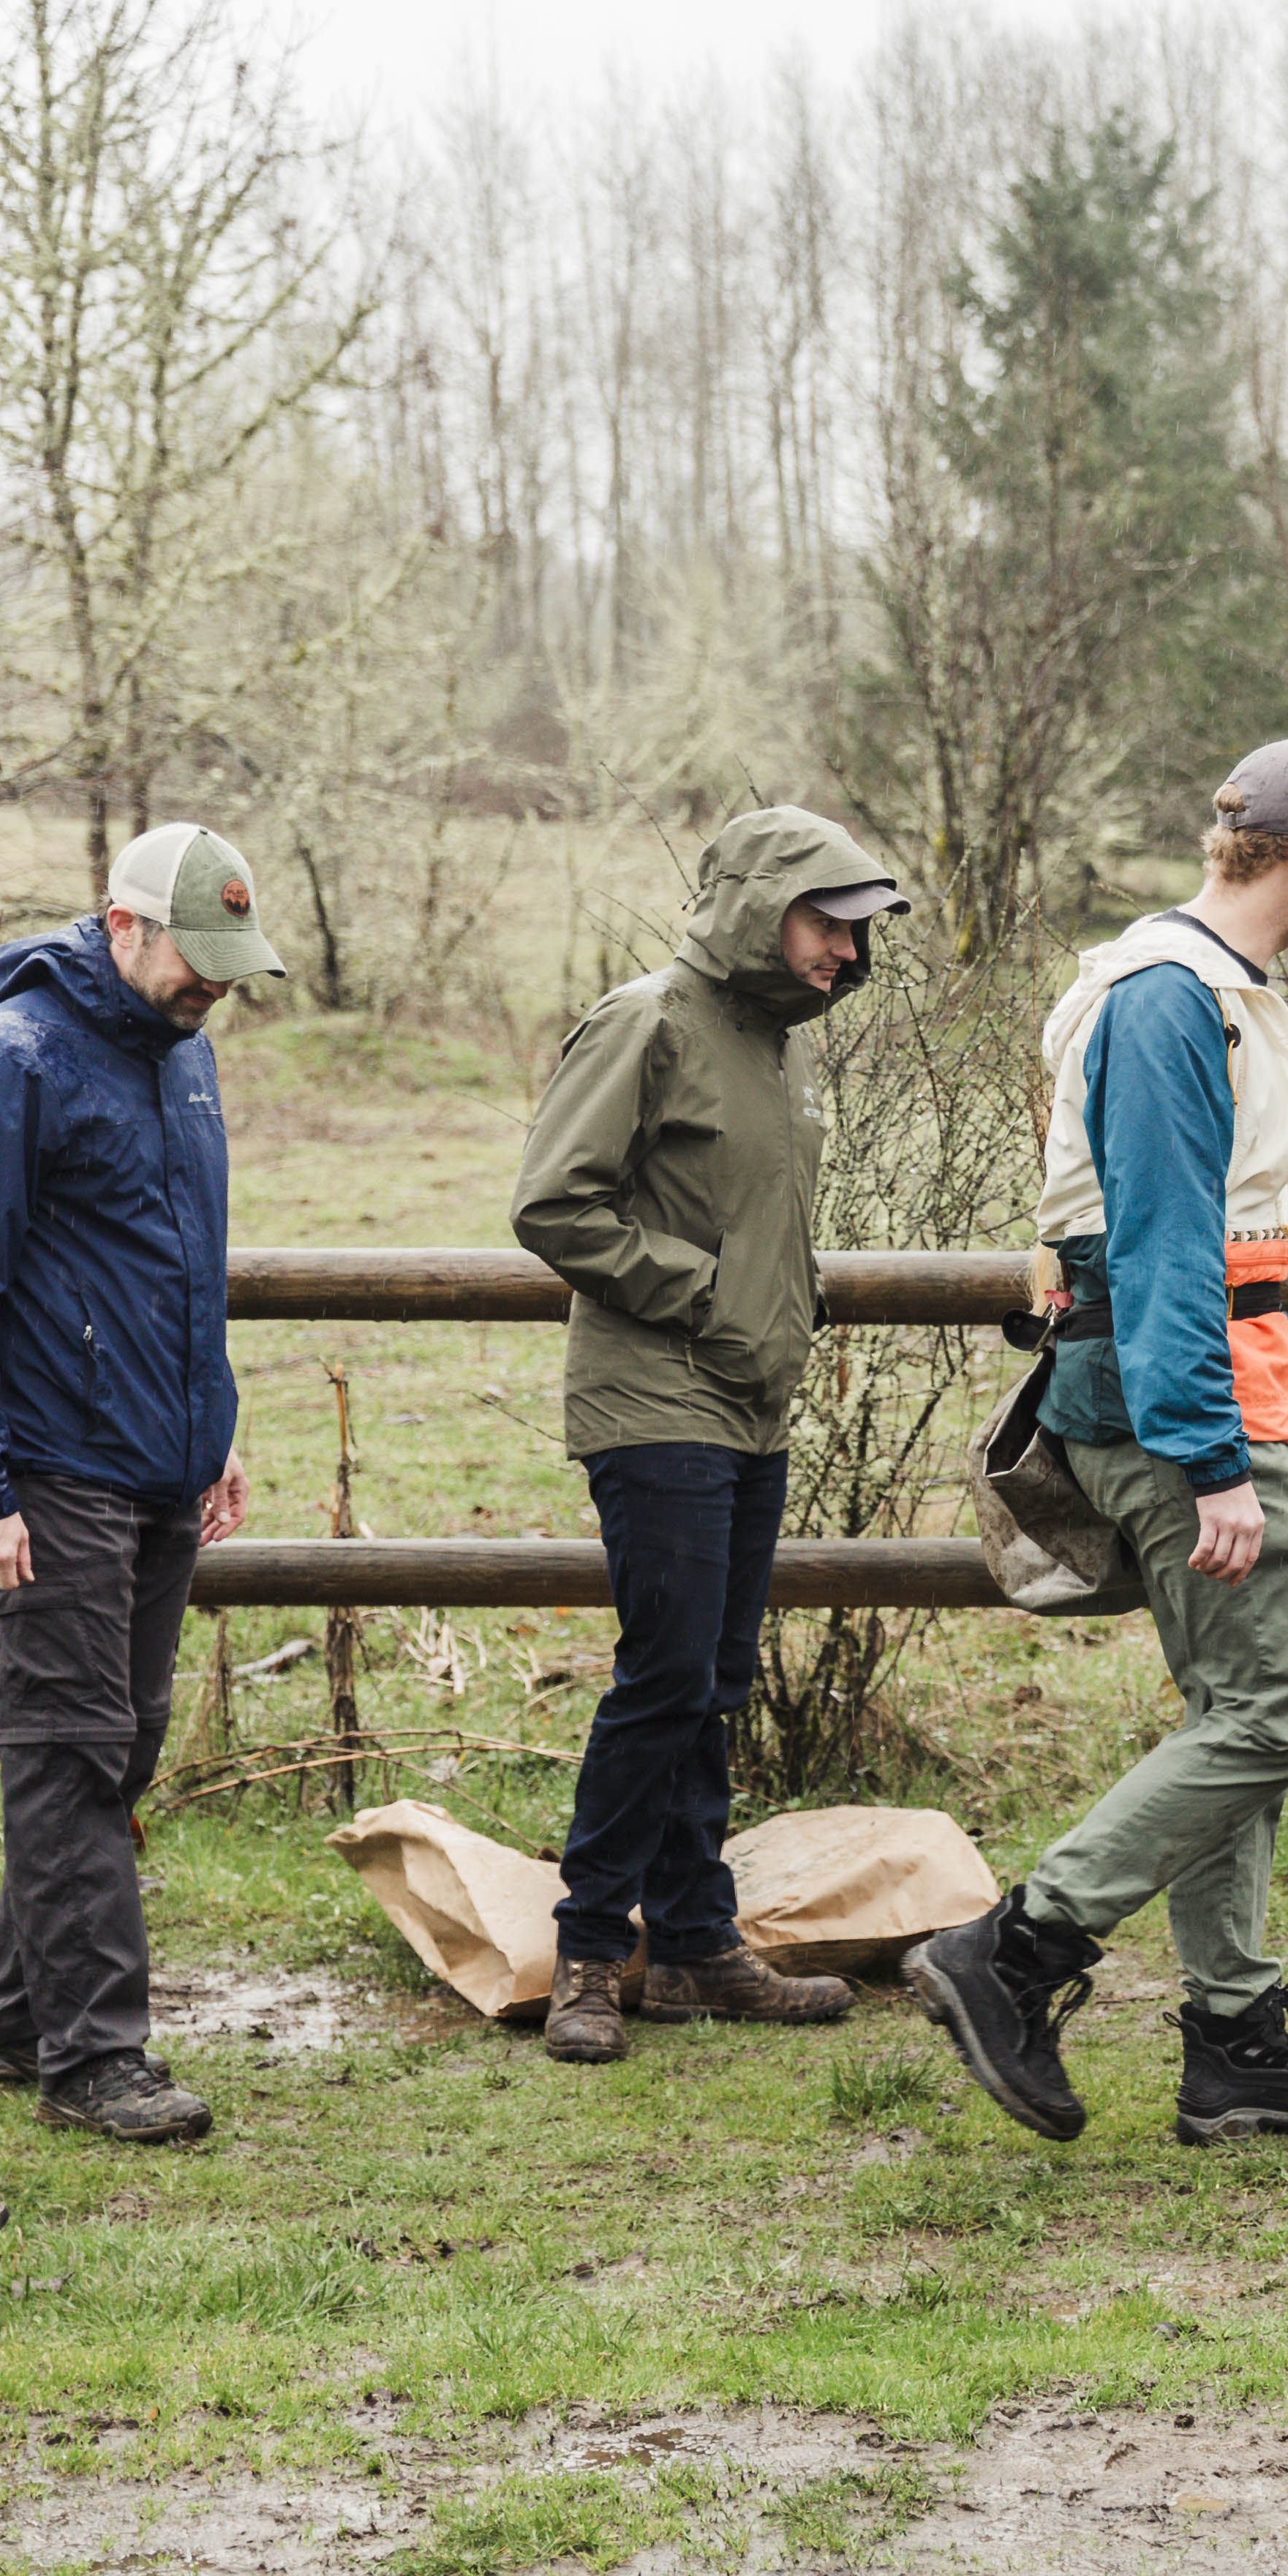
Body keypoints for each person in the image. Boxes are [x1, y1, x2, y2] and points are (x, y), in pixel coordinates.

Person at [910, 739, 1288, 2150]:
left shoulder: (1209, 990)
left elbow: (1230, 1238)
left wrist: (1287, 1393)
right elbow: (1153, 1245)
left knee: (1238, 1715)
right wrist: (1209, 1454)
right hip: (1168, 1408)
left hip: (1214, 1392)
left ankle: (1238, 2039)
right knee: (1279, 1716)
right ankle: (1016, 1950)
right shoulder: (1167, 999)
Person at [510, 807, 909, 2066]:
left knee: (714, 1679)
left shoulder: (773, 1044)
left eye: (857, 935)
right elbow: (552, 1204)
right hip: (653, 1395)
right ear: (758, 906)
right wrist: (706, 1294)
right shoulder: (650, 1020)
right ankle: (589, 1950)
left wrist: (765, 1313)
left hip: (748, 1400)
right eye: (828, 925)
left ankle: (693, 1944)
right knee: (668, 1674)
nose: (846, 954)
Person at [0, 826, 281, 2144]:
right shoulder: (8, 1062)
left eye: (228, 966)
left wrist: (217, 1429)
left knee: (124, 1739)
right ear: (122, 923)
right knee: (70, 1745)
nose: (214, 987)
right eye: (196, 960)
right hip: (53, 1462)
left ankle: (8, 2015)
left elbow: (182, 1265)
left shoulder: (181, 1057)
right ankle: (96, 2058)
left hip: (160, 1457)